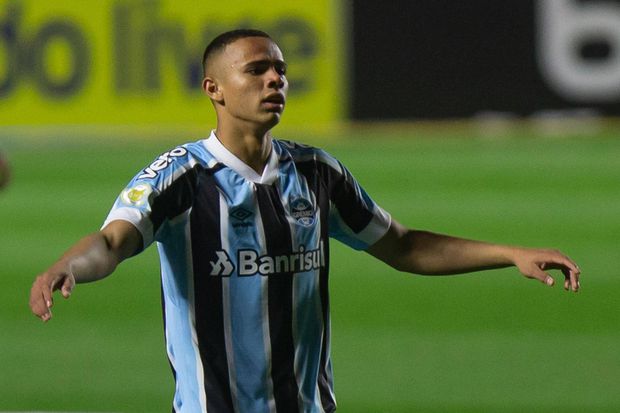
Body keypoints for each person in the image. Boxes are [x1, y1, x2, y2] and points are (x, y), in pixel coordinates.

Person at [29, 29, 581, 413]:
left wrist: (509, 254)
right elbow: (112, 242)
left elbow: (404, 246)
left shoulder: (317, 172)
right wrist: (68, 266)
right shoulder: (181, 177)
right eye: (257, 70)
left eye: (281, 70)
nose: (275, 80)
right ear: (214, 89)